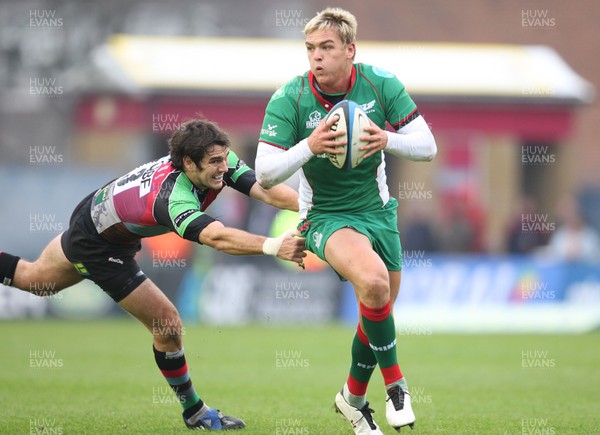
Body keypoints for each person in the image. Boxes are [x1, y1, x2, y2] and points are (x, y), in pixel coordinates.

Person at [0, 119, 306, 431]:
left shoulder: (216, 161)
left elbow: (264, 190)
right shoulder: (172, 198)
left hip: (97, 216)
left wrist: (313, 208)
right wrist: (273, 246)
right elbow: (217, 238)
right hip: (97, 243)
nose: (223, 168)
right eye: (214, 162)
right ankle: (195, 412)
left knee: (32, 278)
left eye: (224, 159)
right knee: (167, 323)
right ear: (188, 162)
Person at [255, 8, 437, 434]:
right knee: (373, 284)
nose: (315, 57)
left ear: (350, 51)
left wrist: (385, 138)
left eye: (326, 48)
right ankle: (397, 386)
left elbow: (427, 146)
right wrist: (310, 145)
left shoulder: (381, 83)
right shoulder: (290, 98)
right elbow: (265, 173)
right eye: (310, 49)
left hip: (377, 212)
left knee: (379, 306)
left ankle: (352, 398)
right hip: (324, 215)